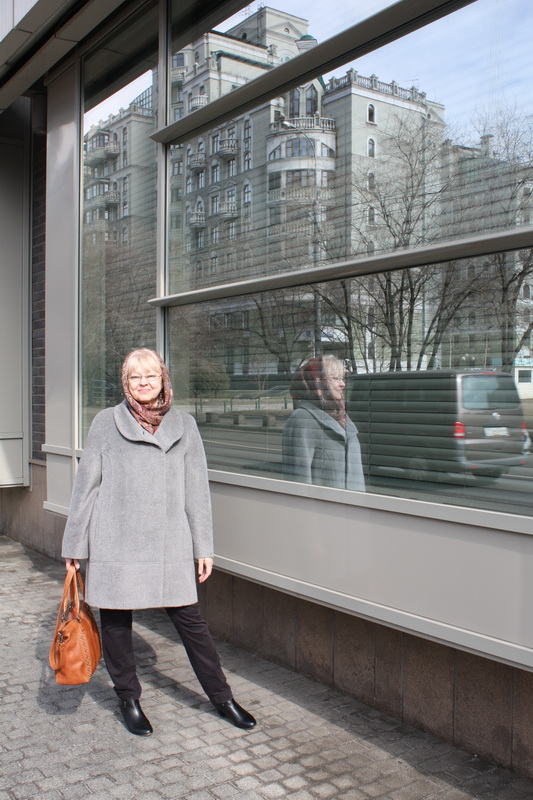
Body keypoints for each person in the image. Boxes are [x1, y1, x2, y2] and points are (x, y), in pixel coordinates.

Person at [61, 348, 256, 736]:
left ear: (164, 379)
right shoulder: (105, 423)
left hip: (170, 543)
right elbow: (86, 488)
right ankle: (128, 698)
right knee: (117, 622)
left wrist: (203, 547)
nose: (144, 383)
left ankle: (222, 698)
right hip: (116, 539)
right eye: (135, 377)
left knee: (191, 622)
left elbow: (196, 491)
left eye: (151, 375)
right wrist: (74, 547)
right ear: (125, 382)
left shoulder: (184, 425)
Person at [282, 355, 365, 491]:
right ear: (318, 382)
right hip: (325, 504)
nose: (343, 384)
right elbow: (299, 481)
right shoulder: (303, 419)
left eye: (342, 378)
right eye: (336, 379)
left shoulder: (340, 416)